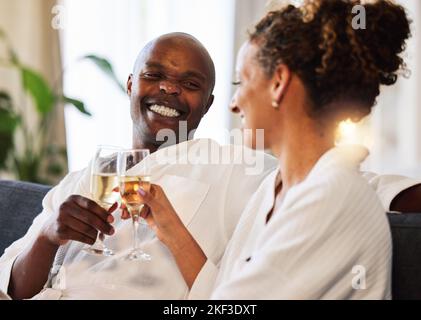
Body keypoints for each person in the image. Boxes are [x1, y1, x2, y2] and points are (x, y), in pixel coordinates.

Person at [0, 27, 419, 299]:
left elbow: (346, 183)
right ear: (131, 84)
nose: (168, 88)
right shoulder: (83, 175)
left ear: (208, 104)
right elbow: (14, 286)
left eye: (190, 84)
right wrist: (48, 237)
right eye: (154, 75)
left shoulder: (235, 167)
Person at [134, 0, 415, 299]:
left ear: (278, 82)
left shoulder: (333, 197)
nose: (234, 102)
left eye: (243, 81)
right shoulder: (273, 189)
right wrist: (171, 230)